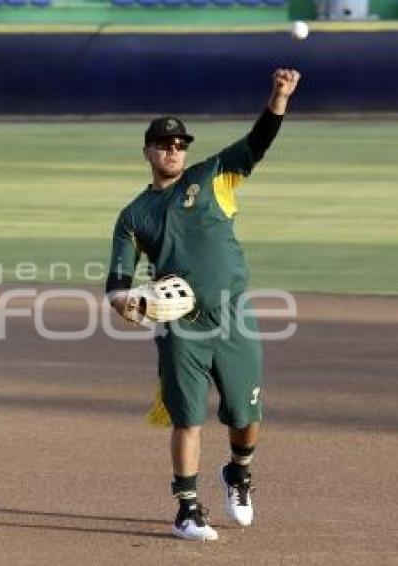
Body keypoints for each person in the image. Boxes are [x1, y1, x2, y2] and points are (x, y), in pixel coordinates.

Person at [105, 69, 301, 541]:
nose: (173, 150)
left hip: (234, 317)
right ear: (148, 150)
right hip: (182, 328)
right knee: (187, 417)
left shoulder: (213, 176)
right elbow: (116, 285)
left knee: (245, 414)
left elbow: (259, 141)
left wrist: (277, 97)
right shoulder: (134, 215)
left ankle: (238, 472)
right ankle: (188, 508)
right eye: (164, 144)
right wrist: (132, 304)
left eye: (179, 144)